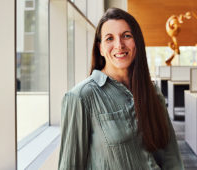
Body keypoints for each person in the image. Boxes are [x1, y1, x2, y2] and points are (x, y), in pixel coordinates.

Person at [58, 8, 184, 170]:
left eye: (126, 36)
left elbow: (171, 156)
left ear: (136, 42)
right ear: (101, 48)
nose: (119, 45)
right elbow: (70, 166)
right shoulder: (80, 97)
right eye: (109, 38)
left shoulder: (152, 91)